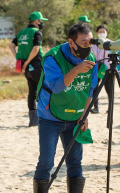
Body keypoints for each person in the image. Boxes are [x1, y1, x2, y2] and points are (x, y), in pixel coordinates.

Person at [33, 22, 98, 193]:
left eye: (90, 42)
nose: (87, 46)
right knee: (46, 161)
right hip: (50, 117)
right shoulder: (52, 58)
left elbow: (90, 91)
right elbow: (57, 87)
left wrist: (84, 116)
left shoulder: (91, 60)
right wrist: (77, 70)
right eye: (84, 42)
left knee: (75, 162)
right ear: (71, 42)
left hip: (75, 118)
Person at [9, 11, 48, 126]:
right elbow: (36, 49)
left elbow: (11, 45)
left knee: (32, 92)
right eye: (41, 21)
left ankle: (33, 120)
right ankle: (45, 118)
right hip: (36, 64)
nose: (41, 23)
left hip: (26, 68)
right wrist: (28, 62)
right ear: (36, 21)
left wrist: (18, 58)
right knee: (44, 90)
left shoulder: (21, 33)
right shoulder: (37, 32)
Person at [90, 24, 112, 114]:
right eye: (100, 32)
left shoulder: (111, 43)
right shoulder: (94, 44)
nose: (102, 33)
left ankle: (110, 108)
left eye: (103, 32)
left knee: (109, 89)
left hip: (108, 69)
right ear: (97, 33)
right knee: (95, 88)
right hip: (96, 68)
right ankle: (96, 108)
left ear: (106, 33)